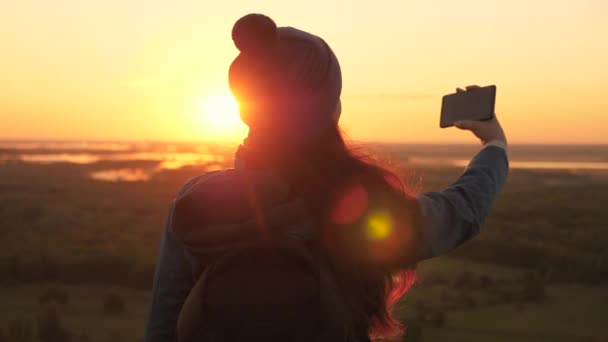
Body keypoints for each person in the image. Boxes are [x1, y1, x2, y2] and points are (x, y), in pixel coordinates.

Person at [144, 13, 509, 342]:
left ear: (246, 109)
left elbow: (164, 324)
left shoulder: (198, 201)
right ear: (330, 109)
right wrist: (495, 145)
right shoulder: (359, 205)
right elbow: (461, 212)